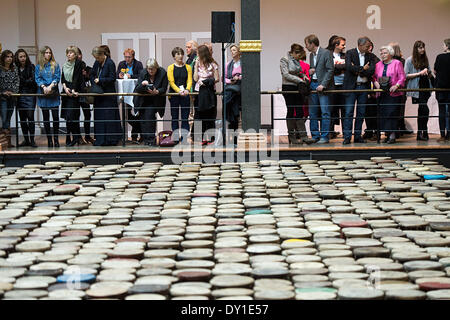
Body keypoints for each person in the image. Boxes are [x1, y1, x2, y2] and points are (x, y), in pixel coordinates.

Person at [342, 37, 376, 144]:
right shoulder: (350, 53)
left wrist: (357, 70)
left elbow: (371, 70)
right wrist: (362, 69)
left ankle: (357, 136)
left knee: (361, 112)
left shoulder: (370, 56)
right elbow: (348, 67)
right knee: (348, 112)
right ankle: (347, 136)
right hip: (351, 87)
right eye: (367, 46)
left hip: (363, 87)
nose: (369, 48)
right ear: (360, 45)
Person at [373, 45, 406, 144]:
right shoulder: (378, 64)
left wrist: (397, 85)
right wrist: (375, 82)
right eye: (381, 53)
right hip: (381, 94)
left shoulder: (397, 63)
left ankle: (392, 136)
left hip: (393, 93)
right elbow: (374, 77)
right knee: (383, 114)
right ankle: (387, 135)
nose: (383, 55)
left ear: (390, 54)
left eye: (385, 53)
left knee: (391, 113)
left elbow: (402, 77)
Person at [304, 34, 334, 144]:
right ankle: (315, 135)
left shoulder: (326, 53)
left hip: (323, 86)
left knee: (325, 112)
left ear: (312, 44)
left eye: (307, 44)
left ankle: (325, 136)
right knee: (312, 112)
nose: (306, 47)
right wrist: (311, 72)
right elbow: (315, 69)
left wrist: (324, 84)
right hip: (313, 84)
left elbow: (330, 70)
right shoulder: (311, 55)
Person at [90, 46, 122, 146]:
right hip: (99, 94)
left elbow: (112, 78)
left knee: (109, 117)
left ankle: (111, 139)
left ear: (102, 55)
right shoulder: (97, 63)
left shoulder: (110, 63)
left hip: (108, 94)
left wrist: (101, 80)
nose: (96, 60)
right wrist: (94, 82)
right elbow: (92, 74)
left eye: (97, 57)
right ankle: (100, 139)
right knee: (99, 117)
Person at [405, 41, 434, 141]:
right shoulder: (410, 60)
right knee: (424, 109)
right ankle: (423, 132)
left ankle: (421, 133)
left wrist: (429, 72)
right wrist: (419, 73)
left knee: (422, 110)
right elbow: (406, 75)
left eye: (423, 47)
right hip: (417, 88)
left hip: (425, 86)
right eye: (420, 48)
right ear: (416, 49)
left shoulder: (425, 59)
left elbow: (429, 73)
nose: (422, 49)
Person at [280, 43, 309, 145]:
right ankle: (291, 137)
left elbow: (298, 71)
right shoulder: (284, 59)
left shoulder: (296, 60)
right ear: (293, 53)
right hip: (288, 87)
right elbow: (286, 74)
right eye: (298, 55)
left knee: (300, 111)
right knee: (291, 110)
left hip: (297, 87)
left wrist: (303, 75)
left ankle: (304, 136)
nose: (299, 57)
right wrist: (299, 80)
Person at [135, 58, 168, 146]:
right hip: (143, 100)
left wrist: (157, 91)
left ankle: (151, 140)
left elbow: (164, 88)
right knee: (143, 120)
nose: (150, 71)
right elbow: (137, 89)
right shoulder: (143, 73)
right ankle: (146, 140)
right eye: (149, 69)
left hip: (155, 99)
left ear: (156, 68)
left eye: (152, 69)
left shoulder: (162, 73)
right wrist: (143, 85)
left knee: (149, 118)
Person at [193, 44, 220, 146]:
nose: (196, 55)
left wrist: (207, 81)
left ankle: (211, 138)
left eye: (197, 53)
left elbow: (217, 78)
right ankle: (202, 138)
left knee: (210, 116)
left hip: (209, 92)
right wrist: (195, 67)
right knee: (200, 116)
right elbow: (195, 79)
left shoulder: (213, 64)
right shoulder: (197, 64)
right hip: (199, 93)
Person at [116, 49, 144, 143]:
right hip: (125, 92)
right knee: (128, 115)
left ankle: (135, 136)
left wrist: (130, 76)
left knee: (136, 114)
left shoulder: (138, 64)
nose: (127, 59)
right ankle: (136, 134)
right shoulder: (121, 64)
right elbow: (116, 75)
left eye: (129, 57)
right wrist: (119, 75)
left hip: (136, 92)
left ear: (133, 56)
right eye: (126, 57)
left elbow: (141, 76)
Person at [35, 46, 61, 148]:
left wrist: (50, 86)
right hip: (43, 94)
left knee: (55, 118)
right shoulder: (38, 66)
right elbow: (37, 78)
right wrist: (43, 87)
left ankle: (56, 139)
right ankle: (49, 140)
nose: (48, 54)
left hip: (53, 93)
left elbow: (57, 77)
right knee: (46, 118)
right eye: (46, 53)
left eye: (50, 52)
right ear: (42, 54)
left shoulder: (55, 65)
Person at [167, 47, 192, 143]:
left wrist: (187, 89)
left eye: (181, 54)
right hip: (174, 95)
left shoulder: (188, 67)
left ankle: (185, 138)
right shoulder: (170, 68)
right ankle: (176, 137)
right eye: (177, 54)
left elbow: (189, 80)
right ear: (174, 56)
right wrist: (179, 91)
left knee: (185, 117)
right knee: (175, 117)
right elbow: (171, 82)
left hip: (185, 94)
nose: (180, 56)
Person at [61, 46, 84, 147]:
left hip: (74, 91)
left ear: (75, 55)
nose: (69, 54)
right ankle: (68, 136)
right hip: (66, 91)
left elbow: (77, 77)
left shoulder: (78, 63)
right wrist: (65, 88)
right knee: (67, 117)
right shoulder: (65, 64)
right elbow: (63, 79)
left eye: (71, 53)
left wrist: (73, 90)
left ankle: (75, 137)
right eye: (68, 53)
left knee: (73, 116)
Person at [15, 49, 37, 147]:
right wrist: (25, 81)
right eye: (21, 57)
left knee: (31, 117)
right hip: (20, 96)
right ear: (17, 58)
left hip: (30, 95)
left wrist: (21, 80)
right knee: (22, 119)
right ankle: (26, 140)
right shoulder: (15, 68)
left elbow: (33, 81)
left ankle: (32, 140)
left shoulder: (31, 67)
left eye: (24, 56)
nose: (23, 58)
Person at [390, 42, 411, 136]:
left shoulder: (401, 61)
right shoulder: (391, 61)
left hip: (399, 88)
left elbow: (402, 76)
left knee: (400, 109)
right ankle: (398, 128)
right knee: (396, 109)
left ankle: (399, 128)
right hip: (394, 88)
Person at [0, 50, 19, 147]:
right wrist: (3, 92)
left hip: (12, 97)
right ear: (3, 58)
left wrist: (13, 92)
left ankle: (8, 142)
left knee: (8, 118)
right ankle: (3, 142)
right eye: (7, 56)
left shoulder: (14, 68)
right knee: (3, 118)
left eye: (11, 56)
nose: (9, 58)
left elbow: (17, 81)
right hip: (2, 97)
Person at [328, 36, 346, 140]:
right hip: (332, 86)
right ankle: (330, 132)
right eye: (343, 44)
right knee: (331, 109)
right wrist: (340, 69)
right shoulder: (328, 55)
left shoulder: (345, 55)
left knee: (344, 110)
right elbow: (329, 69)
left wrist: (337, 68)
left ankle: (345, 133)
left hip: (343, 86)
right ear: (336, 45)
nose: (344, 46)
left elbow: (348, 66)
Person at [225, 44, 242, 145]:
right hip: (231, 89)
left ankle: (237, 138)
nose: (232, 52)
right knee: (233, 114)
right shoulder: (228, 64)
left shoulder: (243, 63)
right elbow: (225, 78)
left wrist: (238, 78)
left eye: (234, 50)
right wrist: (230, 81)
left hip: (240, 91)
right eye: (231, 50)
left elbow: (248, 73)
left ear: (239, 52)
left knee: (237, 114)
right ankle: (233, 139)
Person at [363, 40, 381, 140]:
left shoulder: (374, 58)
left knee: (373, 111)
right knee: (366, 111)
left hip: (373, 87)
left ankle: (375, 132)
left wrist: (363, 70)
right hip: (365, 87)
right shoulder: (362, 58)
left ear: (369, 47)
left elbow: (372, 72)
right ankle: (369, 130)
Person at [434, 38, 450, 141]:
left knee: (442, 111)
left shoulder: (440, 57)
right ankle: (449, 134)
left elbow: (435, 71)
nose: (442, 46)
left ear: (447, 46)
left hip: (441, 88)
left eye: (443, 45)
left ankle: (442, 135)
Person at [77, 49, 94, 144]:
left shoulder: (83, 64)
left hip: (84, 93)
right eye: (77, 54)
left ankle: (87, 136)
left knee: (87, 114)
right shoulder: (73, 65)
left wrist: (87, 74)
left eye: (80, 54)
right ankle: (79, 137)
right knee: (77, 116)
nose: (79, 56)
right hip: (76, 93)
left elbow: (87, 78)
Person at [186, 40, 199, 138]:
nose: (187, 49)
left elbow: (195, 76)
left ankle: (193, 133)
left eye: (189, 47)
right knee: (190, 113)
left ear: (194, 48)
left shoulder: (196, 59)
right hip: (188, 89)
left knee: (194, 113)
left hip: (194, 90)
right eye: (186, 47)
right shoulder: (189, 59)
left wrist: (193, 91)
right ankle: (191, 133)